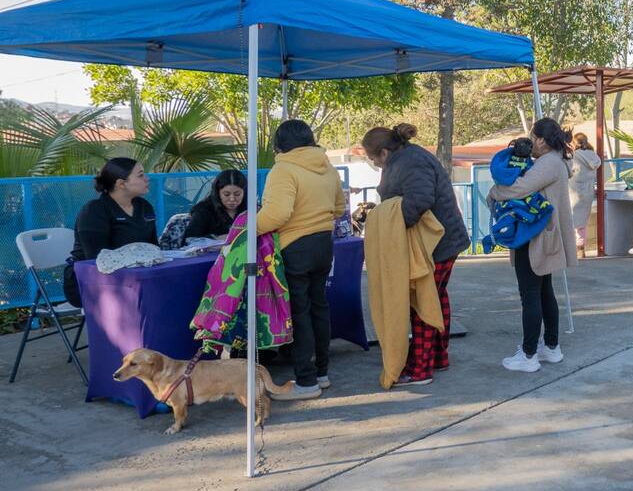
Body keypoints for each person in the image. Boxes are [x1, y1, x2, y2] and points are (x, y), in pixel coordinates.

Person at [362, 123, 471, 384]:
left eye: (372, 158)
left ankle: (421, 369)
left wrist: (393, 229)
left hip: (437, 245)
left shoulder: (409, 162)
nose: (374, 164)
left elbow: (419, 200)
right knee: (435, 297)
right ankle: (438, 357)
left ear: (384, 153)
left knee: (422, 303)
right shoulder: (407, 157)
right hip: (442, 241)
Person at [257, 120, 346, 400]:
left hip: (295, 246)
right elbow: (340, 208)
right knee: (319, 306)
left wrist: (247, 229)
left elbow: (277, 214)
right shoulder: (327, 167)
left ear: (279, 145)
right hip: (323, 244)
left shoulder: (283, 168)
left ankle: (306, 382)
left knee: (300, 312)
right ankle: (321, 373)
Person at [488, 118, 576, 373]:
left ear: (540, 140)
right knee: (544, 291)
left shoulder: (547, 163)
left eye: (531, 136)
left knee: (530, 295)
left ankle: (528, 355)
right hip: (545, 234)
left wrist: (494, 191)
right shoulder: (556, 162)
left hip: (534, 236)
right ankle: (551, 347)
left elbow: (517, 189)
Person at [62, 157, 158, 307]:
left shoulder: (145, 206)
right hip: (91, 281)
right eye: (140, 175)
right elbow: (97, 260)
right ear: (121, 184)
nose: (147, 179)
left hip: (136, 276)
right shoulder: (95, 211)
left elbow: (153, 248)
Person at [184, 169, 247, 240]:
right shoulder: (203, 210)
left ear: (244, 193)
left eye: (237, 194)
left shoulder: (251, 209)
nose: (232, 199)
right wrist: (215, 238)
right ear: (218, 193)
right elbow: (188, 240)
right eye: (226, 194)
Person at [568, 133, 602, 251]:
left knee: (572, 219)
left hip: (573, 191)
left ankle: (576, 246)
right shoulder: (594, 155)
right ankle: (581, 245)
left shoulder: (573, 155)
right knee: (583, 220)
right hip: (588, 191)